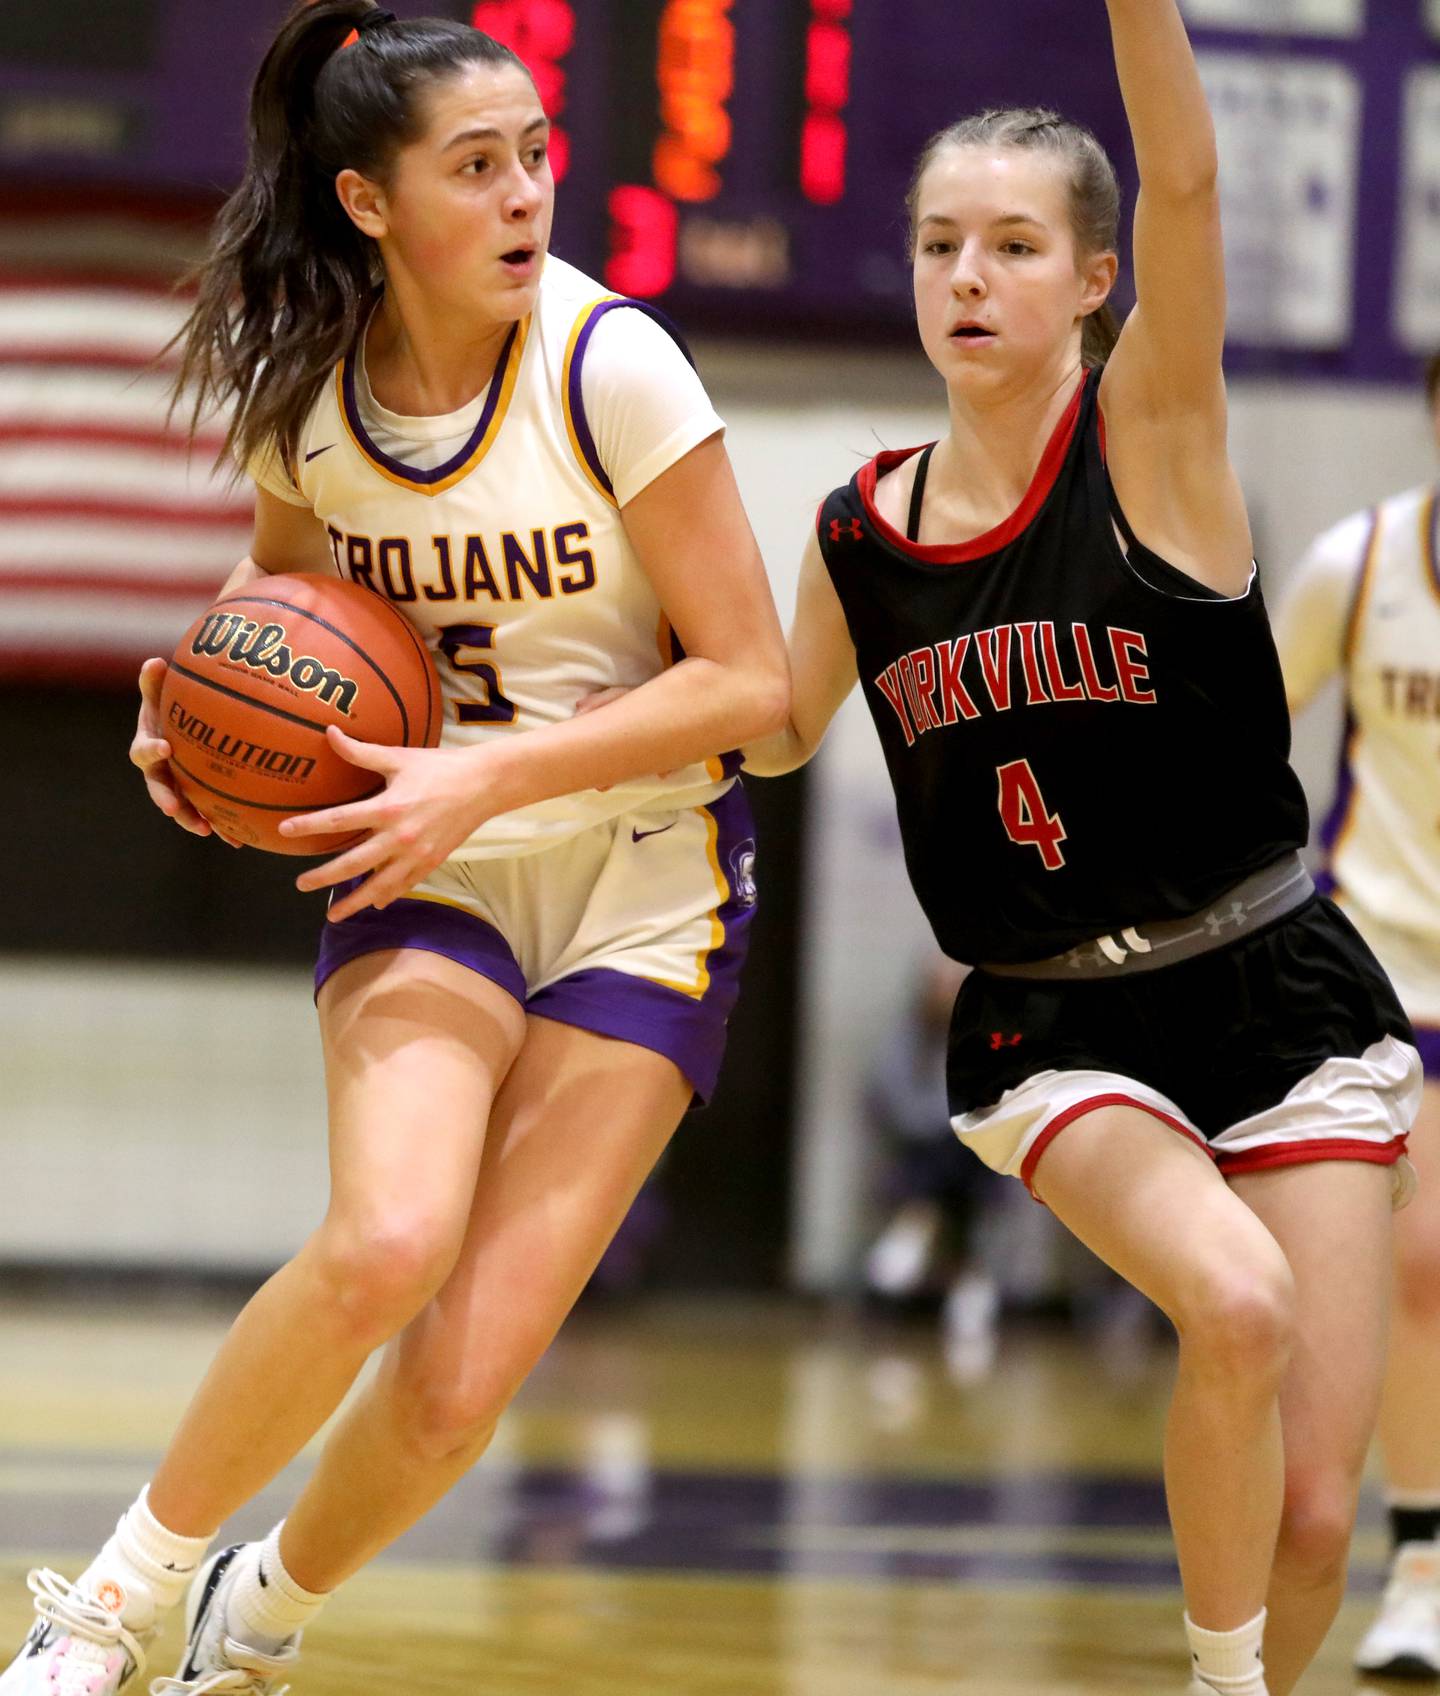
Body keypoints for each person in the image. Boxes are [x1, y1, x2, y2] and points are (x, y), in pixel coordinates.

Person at [0, 6, 787, 1694]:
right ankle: (115, 1601)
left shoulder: (612, 363)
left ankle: (258, 1619)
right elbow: (277, 592)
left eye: (536, 157)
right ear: (369, 202)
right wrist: (189, 695)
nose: (525, 197)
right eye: (476, 166)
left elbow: (750, 681)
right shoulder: (316, 394)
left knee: (456, 1381)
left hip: (643, 883)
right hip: (425, 866)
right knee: (384, 1241)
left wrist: (488, 779)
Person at [739, 3, 1420, 1692]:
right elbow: (761, 730)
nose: (968, 275)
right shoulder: (853, 535)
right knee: (1238, 1308)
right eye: (939, 245)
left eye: (1016, 245)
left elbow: (1183, 181)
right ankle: (1210, 1679)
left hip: (1278, 981)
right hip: (1059, 1022)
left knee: (1320, 1521)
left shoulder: (1155, 446)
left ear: (1096, 281)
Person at [1273, 351, 1440, 1681]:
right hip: (1386, 969)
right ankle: (1424, 1560)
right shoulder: (1360, 561)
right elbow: (1238, 743)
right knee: (1423, 1263)